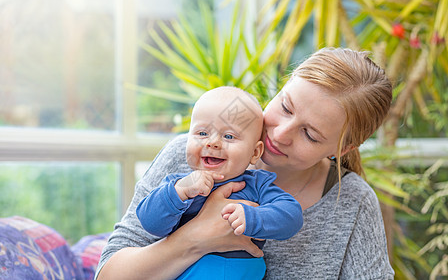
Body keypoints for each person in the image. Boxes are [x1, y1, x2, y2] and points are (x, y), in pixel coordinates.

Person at [96, 47, 395, 279]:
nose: (280, 133)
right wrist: (197, 237)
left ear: (343, 149)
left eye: (310, 134)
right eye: (286, 106)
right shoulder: (193, 155)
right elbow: (109, 274)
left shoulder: (352, 202)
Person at [135, 86, 303, 279]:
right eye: (202, 133)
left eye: (229, 136)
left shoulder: (257, 185)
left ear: (255, 153)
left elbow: (292, 216)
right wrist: (178, 192)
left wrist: (253, 217)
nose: (212, 142)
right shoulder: (179, 184)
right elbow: (150, 223)